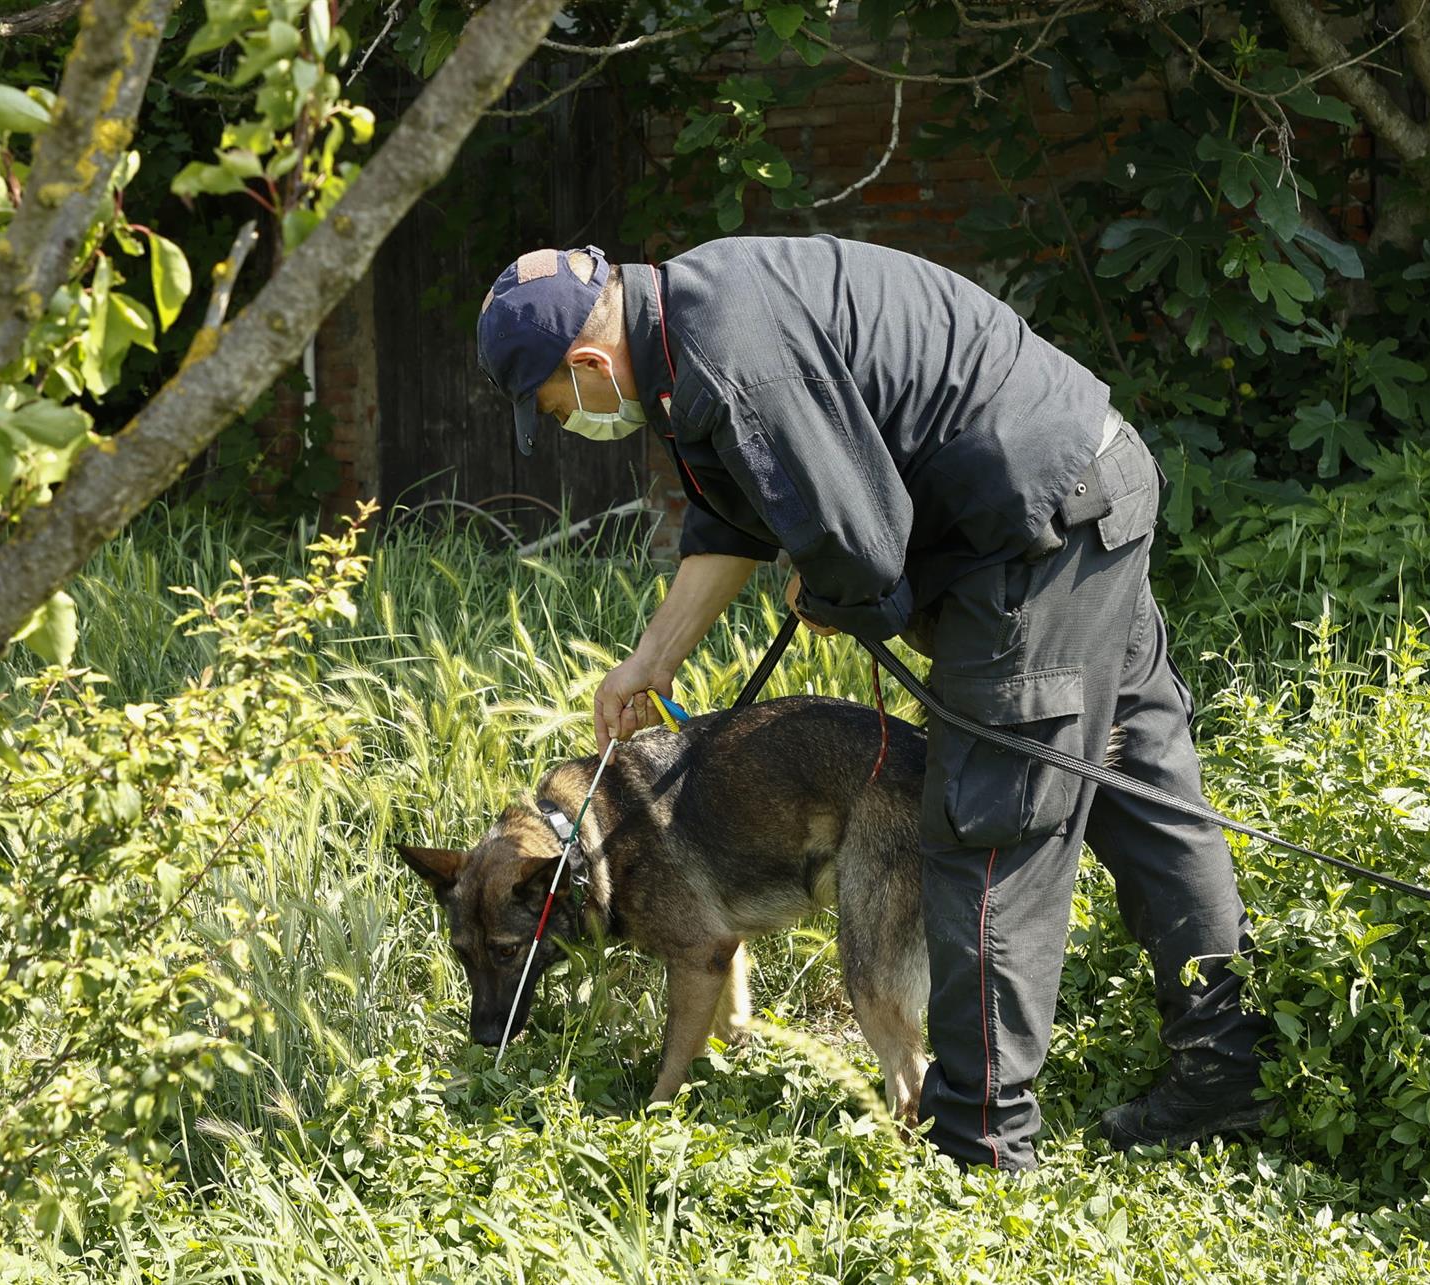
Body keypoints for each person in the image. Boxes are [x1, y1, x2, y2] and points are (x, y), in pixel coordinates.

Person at [472, 236, 1271, 1171]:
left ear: (589, 364)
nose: (572, 423)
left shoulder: (729, 363)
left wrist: (829, 589)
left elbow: (865, 556)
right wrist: (649, 659)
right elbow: (733, 515)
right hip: (1088, 484)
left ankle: (981, 1143)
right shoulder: (693, 322)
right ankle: (1225, 1072)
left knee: (987, 827)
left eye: (560, 408)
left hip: (1029, 535)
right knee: (1146, 797)